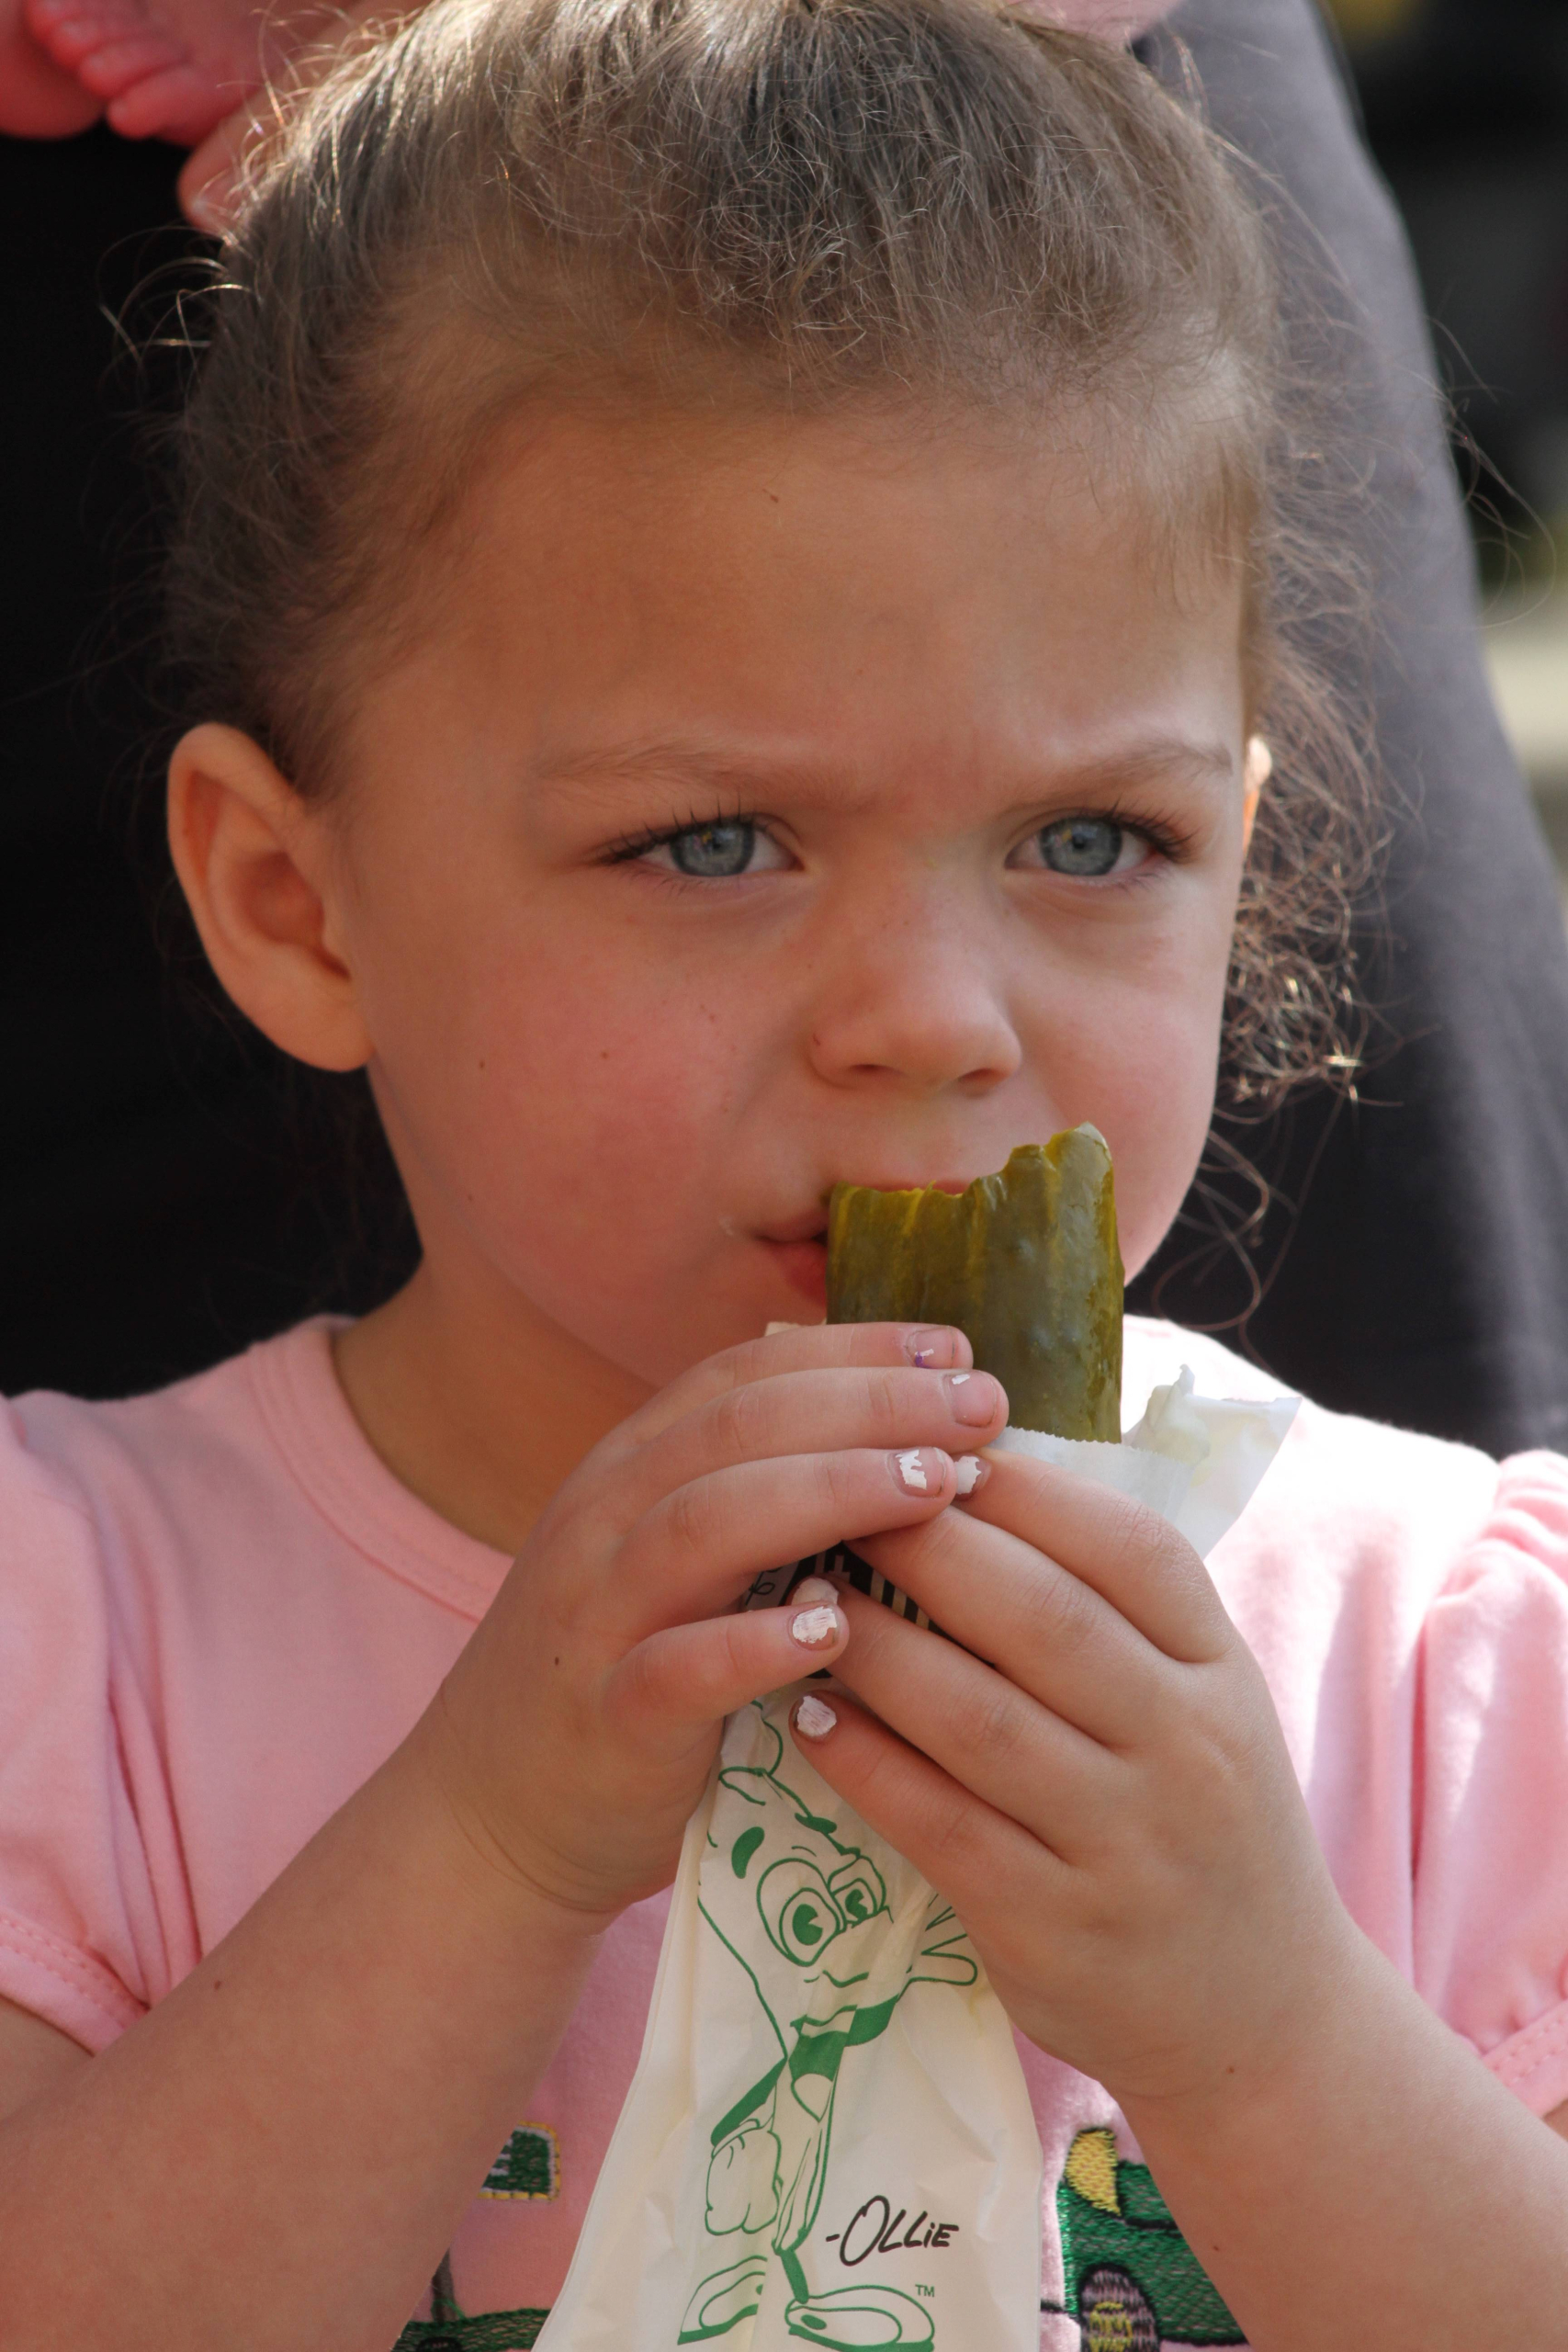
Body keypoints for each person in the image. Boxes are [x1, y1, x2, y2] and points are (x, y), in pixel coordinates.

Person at [1, 3, 1567, 2347]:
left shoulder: (1448, 1661)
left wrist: (1258, 2023)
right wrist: (486, 1848)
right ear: (293, 902)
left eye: (1088, 839)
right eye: (711, 840)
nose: (932, 1013)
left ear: (1237, 856)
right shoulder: (77, 1635)